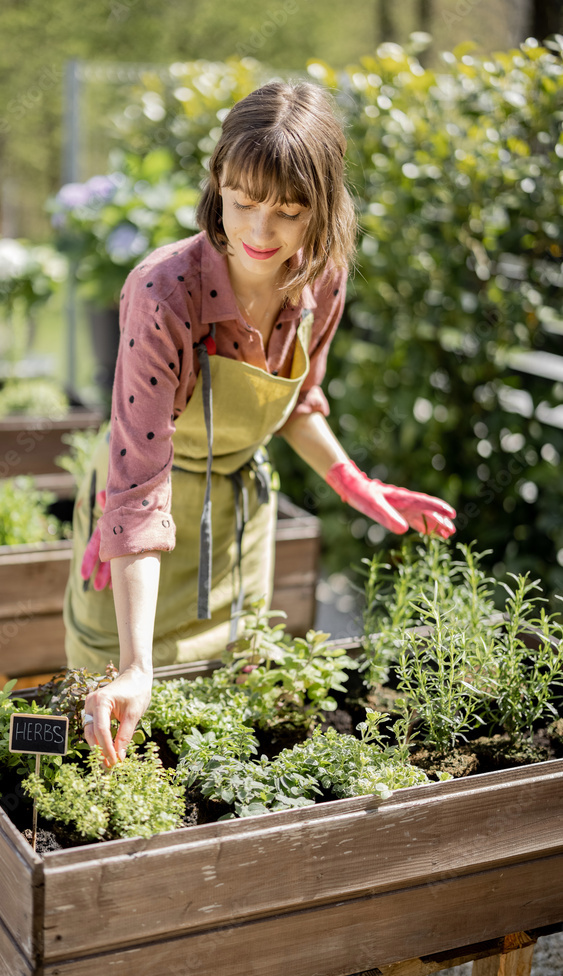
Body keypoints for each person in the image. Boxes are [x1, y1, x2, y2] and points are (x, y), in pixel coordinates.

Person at [64, 80, 456, 767]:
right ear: (217, 183)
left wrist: (353, 482)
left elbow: (297, 400)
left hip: (240, 517)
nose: (258, 232)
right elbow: (137, 490)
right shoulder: (164, 294)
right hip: (139, 530)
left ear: (322, 209)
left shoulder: (320, 279)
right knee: (120, 719)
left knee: (232, 721)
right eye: (243, 203)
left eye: (288, 211)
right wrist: (133, 663)